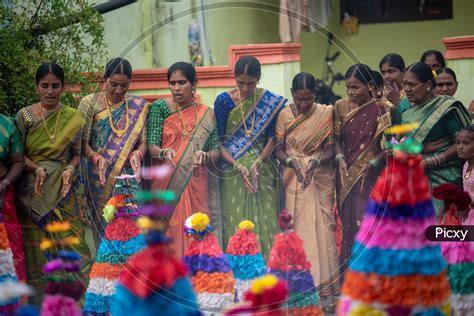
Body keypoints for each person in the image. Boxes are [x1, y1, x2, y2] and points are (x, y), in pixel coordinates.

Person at [15, 63, 92, 302]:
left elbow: (78, 153)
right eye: (45, 86)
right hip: (32, 190)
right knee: (37, 248)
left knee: (74, 243)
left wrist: (70, 167)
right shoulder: (25, 116)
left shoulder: (74, 118)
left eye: (55, 86)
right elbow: (17, 156)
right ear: (37, 87)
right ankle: (42, 303)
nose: (50, 91)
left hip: (63, 187)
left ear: (63, 87)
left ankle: (80, 301)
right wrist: (36, 167)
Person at [274, 72, 340, 308]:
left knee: (323, 229)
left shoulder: (326, 113)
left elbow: (332, 148)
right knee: (299, 229)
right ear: (292, 94)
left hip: (320, 176)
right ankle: (299, 291)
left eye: (308, 100)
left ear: (315, 96)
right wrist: (293, 162)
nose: (303, 105)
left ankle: (325, 292)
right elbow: (278, 150)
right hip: (293, 178)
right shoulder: (283, 114)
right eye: (299, 99)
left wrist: (315, 162)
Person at [214, 56, 287, 257]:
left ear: (259, 79)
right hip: (231, 170)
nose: (246, 88)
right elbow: (219, 142)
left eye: (251, 83)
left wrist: (256, 163)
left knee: (267, 216)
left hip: (262, 168)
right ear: (234, 78)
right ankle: (240, 273)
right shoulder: (223, 101)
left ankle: (269, 268)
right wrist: (238, 165)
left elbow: (272, 139)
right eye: (241, 83)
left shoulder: (269, 101)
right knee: (235, 219)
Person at [147, 62, 220, 258]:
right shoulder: (159, 108)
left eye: (182, 82)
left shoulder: (207, 114)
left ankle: (198, 277)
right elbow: (151, 146)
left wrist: (204, 156)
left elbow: (216, 151)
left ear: (194, 83)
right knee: (169, 229)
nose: (176, 88)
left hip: (196, 179)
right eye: (172, 83)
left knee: (197, 228)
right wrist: (164, 153)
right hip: (167, 181)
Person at [78, 58, 149, 236]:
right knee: (105, 231)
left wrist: (138, 154)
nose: (118, 90)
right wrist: (96, 157)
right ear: (104, 79)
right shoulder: (89, 103)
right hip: (98, 179)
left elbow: (144, 142)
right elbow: (80, 143)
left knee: (135, 231)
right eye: (113, 84)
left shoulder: (138, 106)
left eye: (124, 85)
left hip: (129, 177)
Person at [334, 63, 392, 273]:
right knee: (348, 226)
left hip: (371, 177)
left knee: (368, 224)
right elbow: (336, 138)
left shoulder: (383, 109)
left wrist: (374, 162)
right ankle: (351, 281)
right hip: (345, 175)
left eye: (355, 87)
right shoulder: (340, 106)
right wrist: (340, 157)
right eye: (347, 87)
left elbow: (392, 146)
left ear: (369, 86)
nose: (350, 92)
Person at [400, 62, 471, 215]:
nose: (406, 89)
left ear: (428, 84)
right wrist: (420, 148)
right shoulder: (405, 111)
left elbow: (466, 143)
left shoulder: (446, 108)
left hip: (444, 174)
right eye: (404, 84)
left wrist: (431, 161)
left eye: (412, 84)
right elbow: (396, 144)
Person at [0, 114, 26, 283]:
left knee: (11, 247)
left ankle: (16, 302)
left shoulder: (7, 124)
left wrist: (5, 183)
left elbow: (18, 161)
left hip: (2, 193)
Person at [379, 53, 409, 125]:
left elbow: (411, 120)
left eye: (391, 71)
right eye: (383, 72)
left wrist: (397, 101)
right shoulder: (380, 95)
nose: (386, 76)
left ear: (403, 72)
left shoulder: (410, 93)